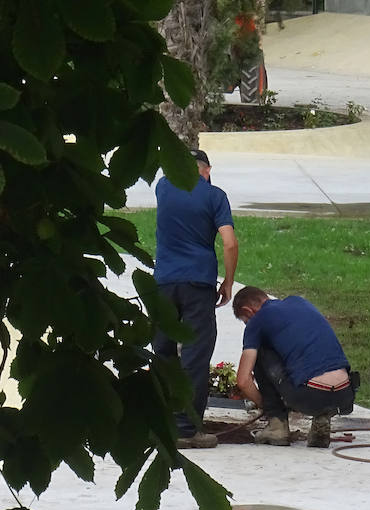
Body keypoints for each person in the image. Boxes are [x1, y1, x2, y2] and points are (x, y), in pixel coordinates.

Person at [153, 149, 239, 449]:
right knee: (195, 355)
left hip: (163, 282)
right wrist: (228, 282)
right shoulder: (215, 196)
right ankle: (187, 430)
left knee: (162, 350)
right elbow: (229, 243)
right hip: (198, 285)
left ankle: (160, 422)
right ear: (207, 169)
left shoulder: (162, 187)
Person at [232, 286, 358, 448]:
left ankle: (277, 426)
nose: (247, 324)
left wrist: (267, 405)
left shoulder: (257, 322)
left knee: (259, 350)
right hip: (344, 394)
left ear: (248, 311)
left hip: (309, 394)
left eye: (245, 321)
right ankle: (322, 415)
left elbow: (243, 380)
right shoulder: (300, 303)